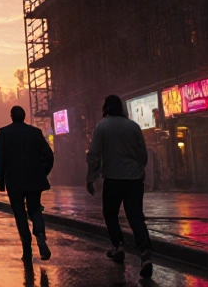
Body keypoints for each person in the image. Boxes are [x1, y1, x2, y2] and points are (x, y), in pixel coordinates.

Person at [87, 94, 154, 279]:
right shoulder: (133, 126)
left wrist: (91, 178)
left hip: (113, 179)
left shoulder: (101, 127)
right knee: (135, 217)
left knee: (110, 213)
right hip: (134, 180)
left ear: (105, 108)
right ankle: (145, 253)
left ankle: (117, 246)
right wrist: (140, 170)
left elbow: (94, 155)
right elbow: (143, 154)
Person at [0, 106, 54, 261]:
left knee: (19, 212)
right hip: (34, 179)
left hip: (14, 181)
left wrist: (1, 181)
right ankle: (40, 235)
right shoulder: (35, 132)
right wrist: (43, 171)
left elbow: (0, 159)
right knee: (35, 209)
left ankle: (26, 246)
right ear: (24, 116)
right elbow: (49, 155)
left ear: (11, 116)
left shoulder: (3, 133)